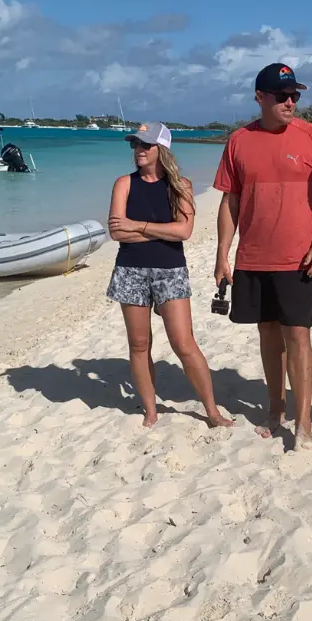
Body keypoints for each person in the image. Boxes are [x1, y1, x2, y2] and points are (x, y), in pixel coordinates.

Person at [213, 63, 312, 451]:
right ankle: (275, 410)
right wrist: (223, 253)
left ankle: (304, 425)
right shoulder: (238, 141)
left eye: (295, 96)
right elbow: (229, 200)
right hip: (253, 256)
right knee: (268, 333)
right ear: (260, 97)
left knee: (298, 335)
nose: (291, 102)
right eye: (283, 95)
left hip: (298, 258)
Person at [107, 122, 234, 430]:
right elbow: (114, 230)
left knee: (184, 343)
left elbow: (184, 231)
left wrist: (137, 226)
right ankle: (151, 411)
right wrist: (162, 232)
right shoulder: (124, 183)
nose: (139, 149)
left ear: (161, 150)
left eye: (145, 145)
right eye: (135, 144)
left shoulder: (181, 186)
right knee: (139, 345)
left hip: (170, 271)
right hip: (130, 271)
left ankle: (212, 411)